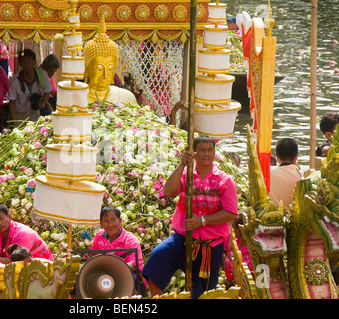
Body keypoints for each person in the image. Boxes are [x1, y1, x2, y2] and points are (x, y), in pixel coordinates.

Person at [142, 135, 238, 299]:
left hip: (210, 245)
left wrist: (201, 221)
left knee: (203, 293)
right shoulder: (186, 174)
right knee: (158, 257)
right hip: (182, 239)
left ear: (214, 152)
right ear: (194, 152)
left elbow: (230, 213)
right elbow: (169, 192)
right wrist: (182, 164)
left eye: (209, 150)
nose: (206, 154)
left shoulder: (225, 180)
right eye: (201, 150)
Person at [83, 17, 137, 106]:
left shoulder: (126, 97)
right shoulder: (75, 97)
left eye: (110, 69)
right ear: (86, 68)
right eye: (99, 69)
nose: (105, 75)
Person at [8, 50, 56, 123]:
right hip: (19, 115)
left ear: (34, 62)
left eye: (29, 61)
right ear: (20, 63)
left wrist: (43, 103)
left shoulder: (42, 75)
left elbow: (48, 91)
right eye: (23, 61)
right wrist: (14, 122)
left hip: (34, 113)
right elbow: (12, 102)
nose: (26, 64)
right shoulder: (15, 81)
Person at [268, 137, 302, 213]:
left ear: (276, 156)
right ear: (296, 156)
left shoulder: (267, 172)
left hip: (271, 218)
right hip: (295, 220)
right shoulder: (303, 176)